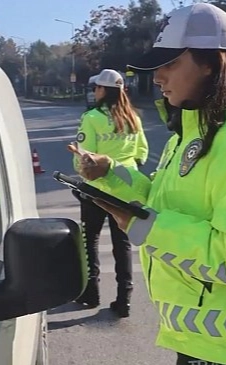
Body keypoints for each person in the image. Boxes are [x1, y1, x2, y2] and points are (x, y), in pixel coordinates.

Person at [71, 3, 226, 365]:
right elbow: (162, 196)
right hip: (201, 340)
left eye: (170, 64)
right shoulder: (192, 129)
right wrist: (109, 173)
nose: (157, 77)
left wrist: (144, 226)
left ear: (211, 63)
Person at [72, 69, 148, 317]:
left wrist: (81, 173)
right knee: (122, 244)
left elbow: (84, 159)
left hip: (97, 190)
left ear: (103, 90)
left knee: (89, 240)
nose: (95, 92)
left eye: (96, 88)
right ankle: (124, 299)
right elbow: (142, 153)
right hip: (126, 190)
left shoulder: (91, 117)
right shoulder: (133, 118)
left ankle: (91, 292)